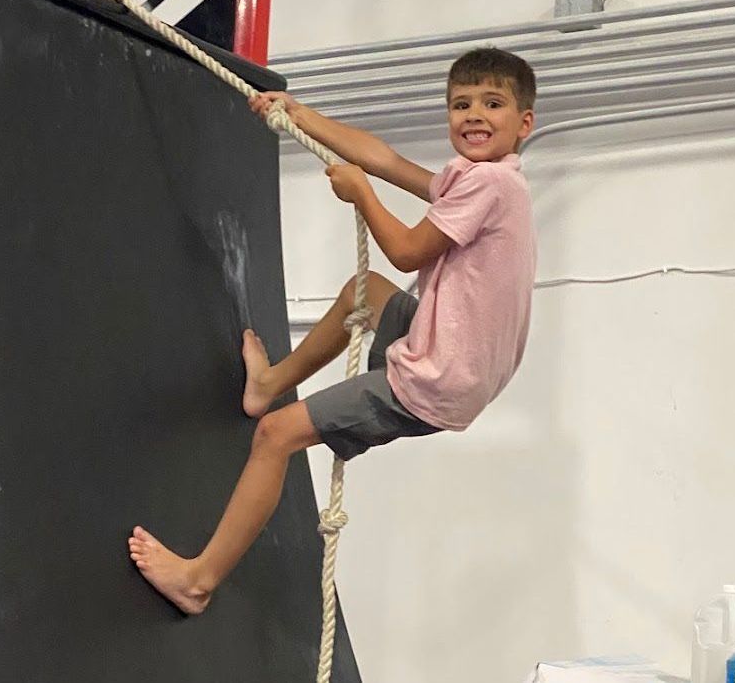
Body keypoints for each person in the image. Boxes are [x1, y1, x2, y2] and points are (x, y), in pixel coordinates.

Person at [128, 47, 538, 614]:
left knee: (275, 437)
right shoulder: (480, 179)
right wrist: (300, 114)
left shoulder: (490, 185)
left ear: (524, 123)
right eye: (460, 104)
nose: (473, 115)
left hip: (437, 377)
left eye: (492, 104)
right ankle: (268, 383)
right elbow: (386, 159)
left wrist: (361, 194)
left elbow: (406, 249)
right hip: (451, 349)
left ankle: (198, 581)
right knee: (362, 291)